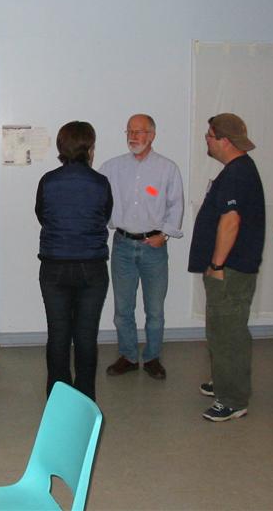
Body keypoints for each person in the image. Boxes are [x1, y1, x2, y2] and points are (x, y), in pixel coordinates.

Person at [188, 113, 264, 422]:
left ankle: (232, 400)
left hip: (229, 269)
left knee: (228, 332)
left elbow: (230, 222)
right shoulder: (237, 170)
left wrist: (217, 264)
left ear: (224, 140)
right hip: (229, 268)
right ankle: (224, 380)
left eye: (209, 135)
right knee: (221, 328)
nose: (206, 140)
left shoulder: (237, 174)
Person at [99, 114, 183, 380]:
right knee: (123, 309)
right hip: (123, 245)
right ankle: (128, 356)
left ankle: (152, 358)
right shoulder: (111, 167)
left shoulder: (167, 169)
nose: (133, 136)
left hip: (154, 247)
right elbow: (100, 200)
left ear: (152, 135)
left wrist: (165, 234)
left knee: (154, 310)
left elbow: (175, 205)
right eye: (130, 131)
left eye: (139, 131)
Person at [35, 121, 112, 401]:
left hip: (54, 266)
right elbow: (105, 216)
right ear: (89, 148)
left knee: (58, 334)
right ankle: (85, 399)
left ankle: (58, 398)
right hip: (92, 267)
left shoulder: (48, 181)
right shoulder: (100, 182)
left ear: (61, 147)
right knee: (86, 336)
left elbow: (42, 215)